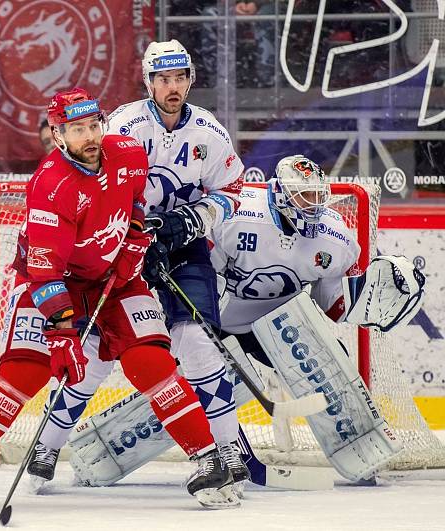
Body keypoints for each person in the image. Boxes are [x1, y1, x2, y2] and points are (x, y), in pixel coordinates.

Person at [0, 87, 237, 510]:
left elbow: (133, 207)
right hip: (56, 286)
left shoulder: (127, 152)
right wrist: (60, 334)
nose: (89, 136)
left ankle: (209, 460)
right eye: (77, 129)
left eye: (94, 125)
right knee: (26, 372)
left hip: (115, 283)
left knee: (151, 361)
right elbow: (43, 271)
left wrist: (132, 243)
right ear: (58, 135)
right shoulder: (51, 187)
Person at [66, 154, 426, 486]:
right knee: (209, 381)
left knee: (332, 363)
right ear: (282, 194)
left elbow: (330, 303)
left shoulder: (335, 238)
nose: (312, 206)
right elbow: (200, 272)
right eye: (303, 197)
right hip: (220, 318)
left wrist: (367, 303)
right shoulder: (238, 217)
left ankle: (361, 444)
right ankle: (223, 453)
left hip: (278, 323)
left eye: (317, 196)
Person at [27, 39, 249, 492]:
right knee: (93, 355)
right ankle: (46, 446)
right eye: (163, 78)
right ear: (148, 81)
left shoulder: (208, 131)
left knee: (200, 347)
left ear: (190, 79)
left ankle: (227, 451)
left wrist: (192, 219)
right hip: (120, 249)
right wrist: (133, 230)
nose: (172, 87)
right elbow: (91, 176)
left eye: (180, 77)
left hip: (184, 250)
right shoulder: (122, 126)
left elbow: (233, 189)